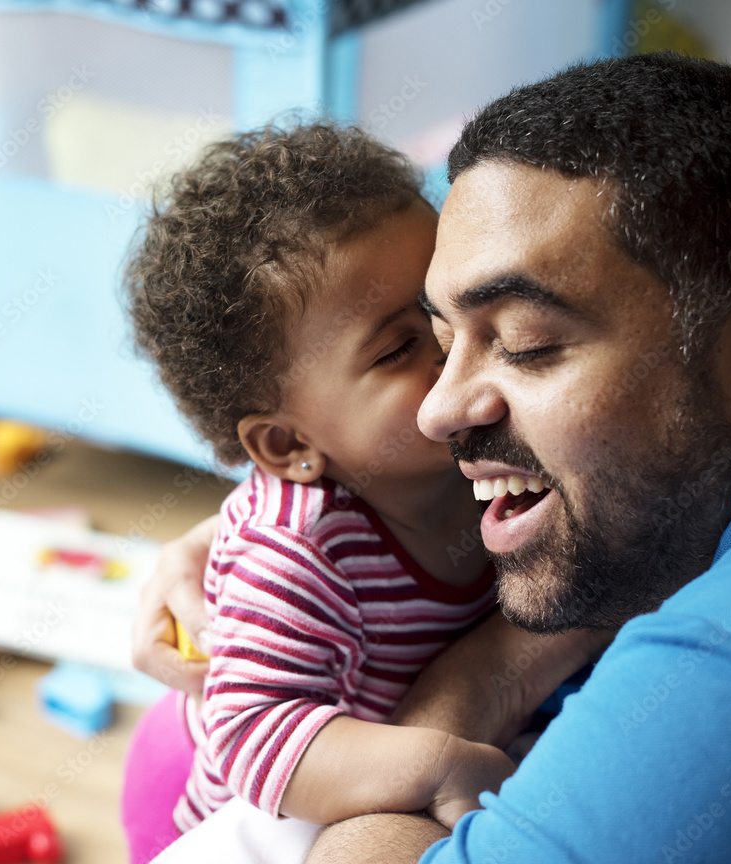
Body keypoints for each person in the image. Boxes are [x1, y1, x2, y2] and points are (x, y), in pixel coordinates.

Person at [137, 54, 731, 863]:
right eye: (432, 340)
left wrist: (469, 695)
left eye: (524, 343)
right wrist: (235, 538)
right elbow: (254, 722)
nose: (442, 406)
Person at [120, 123, 606, 864]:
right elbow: (257, 738)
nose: (452, 344)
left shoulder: (476, 445)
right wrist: (436, 762)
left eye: (440, 304)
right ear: (288, 447)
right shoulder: (297, 548)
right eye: (397, 347)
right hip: (223, 805)